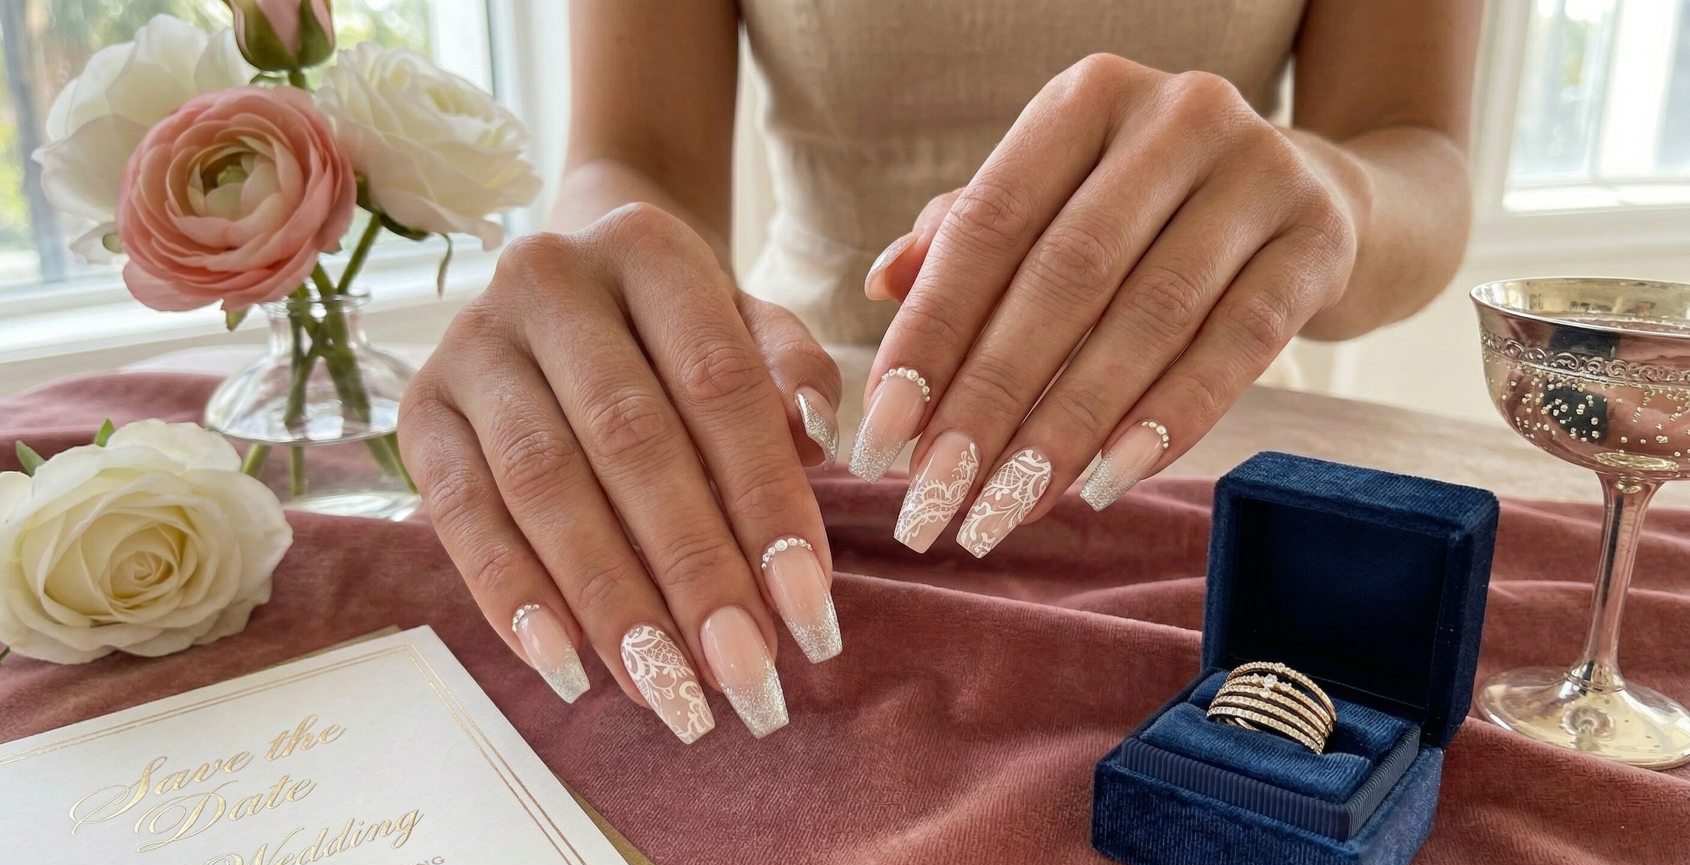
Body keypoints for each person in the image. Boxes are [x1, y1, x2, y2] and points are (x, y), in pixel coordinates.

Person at [394, 0, 1481, 742]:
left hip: (1196, 431)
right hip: (813, 425)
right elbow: (636, 155)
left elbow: (1416, 149)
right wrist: (613, 285)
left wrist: (1322, 195)